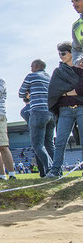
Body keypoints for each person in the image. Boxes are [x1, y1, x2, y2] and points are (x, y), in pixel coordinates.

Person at [47, 42, 83, 177]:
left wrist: (67, 92)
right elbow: (54, 91)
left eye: (63, 53)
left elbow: (81, 89)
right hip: (65, 110)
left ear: (72, 52)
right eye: (59, 53)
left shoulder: (81, 67)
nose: (60, 56)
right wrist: (75, 91)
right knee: (60, 142)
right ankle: (55, 171)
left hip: (81, 108)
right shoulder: (58, 71)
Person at [18, 59, 55, 176]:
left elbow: (21, 93)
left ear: (35, 66)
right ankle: (56, 169)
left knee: (37, 145)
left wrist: (29, 92)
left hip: (38, 112)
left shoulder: (32, 76)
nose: (30, 68)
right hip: (51, 112)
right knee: (50, 144)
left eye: (31, 66)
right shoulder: (50, 77)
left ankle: (50, 169)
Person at [70, 0, 83, 67]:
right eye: (72, 2)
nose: (74, 5)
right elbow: (76, 49)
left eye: (77, 0)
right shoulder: (76, 26)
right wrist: (78, 62)